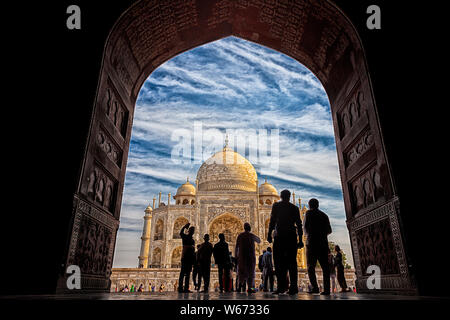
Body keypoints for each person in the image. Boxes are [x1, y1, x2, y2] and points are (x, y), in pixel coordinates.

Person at [267, 189, 303, 295]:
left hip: (280, 236)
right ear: (289, 197)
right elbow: (299, 225)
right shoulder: (294, 208)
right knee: (292, 263)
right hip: (291, 237)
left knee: (279, 263)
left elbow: (272, 221)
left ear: (281, 196)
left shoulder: (276, 206)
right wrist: (300, 240)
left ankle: (281, 287)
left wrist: (269, 234)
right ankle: (293, 287)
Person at [303, 198, 332, 295]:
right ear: (318, 205)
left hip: (311, 243)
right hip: (323, 243)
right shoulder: (324, 215)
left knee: (311, 267)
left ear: (310, 205)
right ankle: (327, 289)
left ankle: (315, 287)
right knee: (325, 267)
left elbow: (305, 228)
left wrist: (311, 233)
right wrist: (322, 234)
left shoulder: (308, 213)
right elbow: (329, 230)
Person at [235, 222, 261, 294]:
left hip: (242, 257)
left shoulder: (240, 235)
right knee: (251, 275)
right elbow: (259, 240)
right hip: (250, 258)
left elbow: (236, 247)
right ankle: (251, 288)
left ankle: (239, 288)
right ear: (249, 228)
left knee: (241, 274)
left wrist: (236, 256)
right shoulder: (251, 235)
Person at [178, 222, 196, 293]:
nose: (192, 232)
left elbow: (193, 250)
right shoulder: (185, 237)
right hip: (185, 257)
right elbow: (181, 233)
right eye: (191, 230)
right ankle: (180, 288)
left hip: (190, 258)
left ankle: (186, 288)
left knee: (188, 274)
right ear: (189, 231)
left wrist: (194, 261)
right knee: (182, 273)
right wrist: (184, 226)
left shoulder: (193, 240)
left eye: (193, 231)